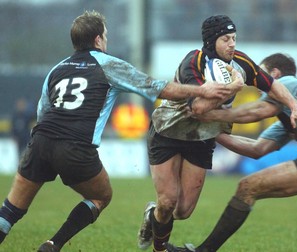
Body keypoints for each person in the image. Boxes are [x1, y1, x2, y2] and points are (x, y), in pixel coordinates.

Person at [0, 10, 244, 252]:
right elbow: (156, 87)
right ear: (98, 40)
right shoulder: (109, 65)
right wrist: (202, 90)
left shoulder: (57, 69)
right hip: (75, 146)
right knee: (101, 197)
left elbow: (44, 111)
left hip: (40, 141)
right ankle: (54, 243)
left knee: (11, 209)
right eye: (105, 36)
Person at [137, 16, 297, 252]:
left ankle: (153, 215)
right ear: (211, 41)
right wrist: (234, 87)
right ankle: (159, 248)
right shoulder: (193, 63)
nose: (232, 44)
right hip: (169, 130)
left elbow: (272, 84)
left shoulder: (240, 61)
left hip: (202, 136)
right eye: (226, 39)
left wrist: (296, 106)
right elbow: (198, 109)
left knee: (182, 210)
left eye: (234, 38)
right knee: (167, 201)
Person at [166, 53, 297, 252]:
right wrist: (208, 130)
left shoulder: (288, 82)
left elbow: (257, 111)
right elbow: (257, 149)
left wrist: (209, 114)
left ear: (275, 73)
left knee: (247, 187)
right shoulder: (291, 112)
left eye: (261, 75)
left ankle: (204, 251)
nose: (257, 82)